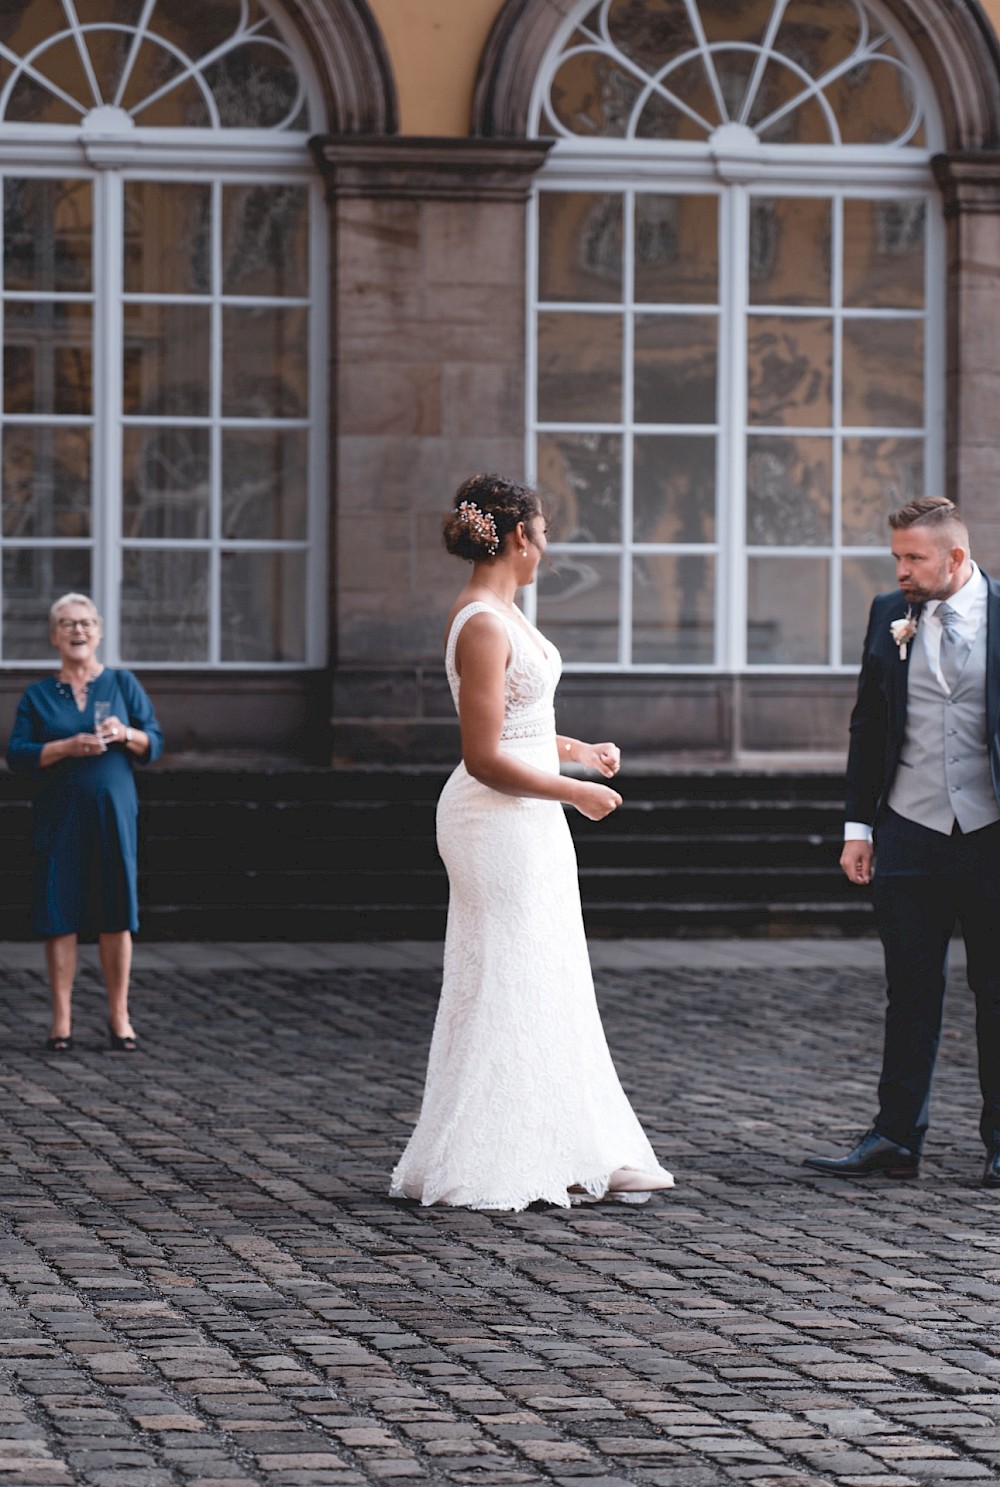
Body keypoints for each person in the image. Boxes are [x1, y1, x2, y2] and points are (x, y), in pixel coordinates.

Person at [390, 474, 673, 1210]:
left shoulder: (505, 613)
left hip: (529, 809)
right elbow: (484, 755)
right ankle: (495, 1151)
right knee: (509, 972)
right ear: (521, 536)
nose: (547, 547)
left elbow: (518, 724)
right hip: (494, 816)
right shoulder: (482, 621)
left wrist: (577, 750)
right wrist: (575, 793)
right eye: (544, 533)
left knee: (550, 968)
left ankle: (583, 1143)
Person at [804, 497, 1000, 1188]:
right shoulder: (890, 612)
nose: (901, 570)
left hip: (991, 838)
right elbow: (868, 725)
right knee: (908, 990)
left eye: (914, 558)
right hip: (909, 832)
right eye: (896, 557)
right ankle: (895, 1135)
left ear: (955, 557)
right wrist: (859, 827)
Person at [7, 593, 164, 1053]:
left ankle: (119, 1018)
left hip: (113, 813)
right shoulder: (37, 695)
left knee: (117, 912)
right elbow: (17, 755)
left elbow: (154, 740)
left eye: (87, 623)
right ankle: (62, 1022)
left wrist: (126, 734)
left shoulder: (121, 683)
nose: (78, 631)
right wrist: (65, 747)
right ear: (54, 635)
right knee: (60, 913)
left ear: (99, 633)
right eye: (68, 623)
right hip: (60, 815)